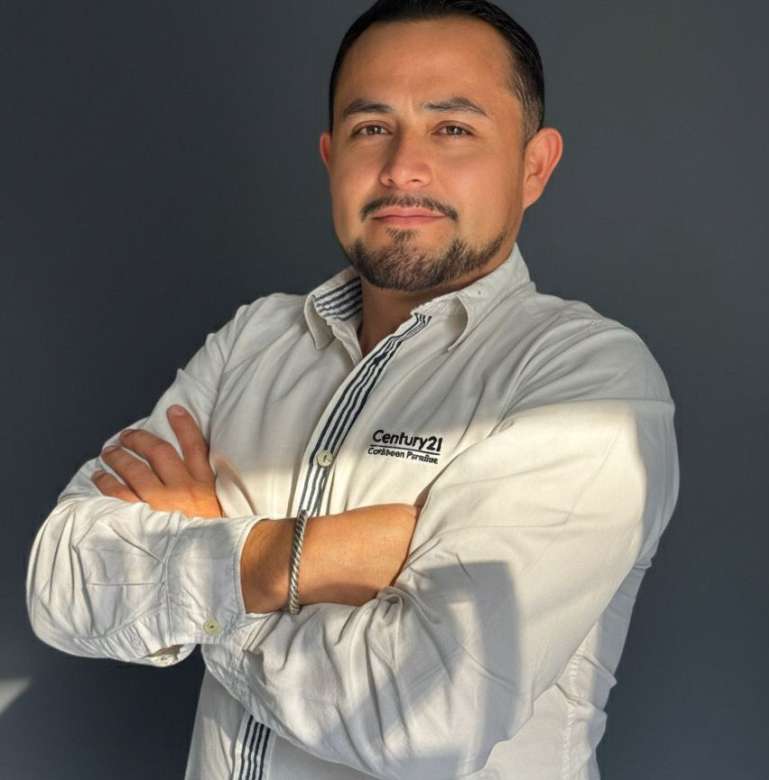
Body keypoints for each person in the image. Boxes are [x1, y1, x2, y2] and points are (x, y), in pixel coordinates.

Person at [25, 1, 680, 778]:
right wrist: (289, 558)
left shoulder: (587, 383)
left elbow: (420, 716)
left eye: (452, 128)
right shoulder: (254, 340)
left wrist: (218, 570)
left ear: (534, 166)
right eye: (373, 128)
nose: (403, 167)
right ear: (332, 155)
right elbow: (60, 583)